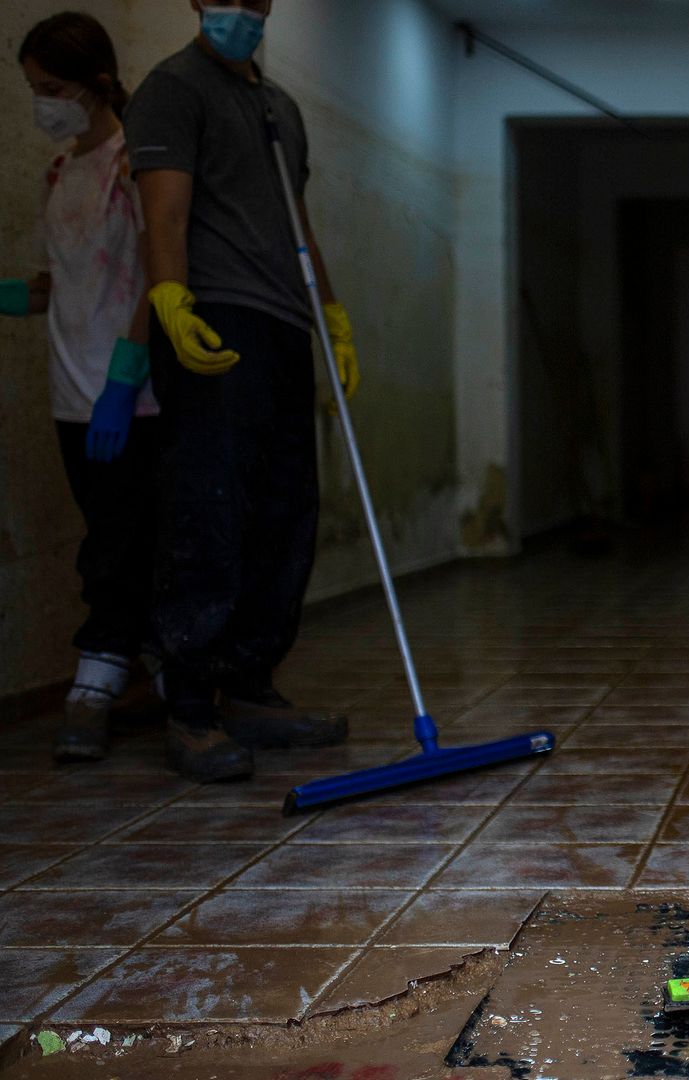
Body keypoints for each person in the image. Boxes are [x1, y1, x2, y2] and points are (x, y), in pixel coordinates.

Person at [123, 0, 357, 782]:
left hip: (284, 323)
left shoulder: (279, 105)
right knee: (209, 507)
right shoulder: (172, 88)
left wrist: (331, 314)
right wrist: (171, 299)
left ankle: (252, 686)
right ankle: (190, 705)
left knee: (285, 509)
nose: (244, 11)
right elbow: (164, 213)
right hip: (215, 317)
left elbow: (297, 224)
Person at [3, 13, 157, 763]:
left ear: (96, 84)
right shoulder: (60, 172)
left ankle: (96, 680)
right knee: (111, 532)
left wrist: (124, 381)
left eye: (53, 89)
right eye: (34, 89)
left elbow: (161, 276)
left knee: (119, 542)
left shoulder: (136, 165)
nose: (43, 104)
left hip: (129, 395)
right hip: (72, 396)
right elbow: (56, 285)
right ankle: (146, 667)